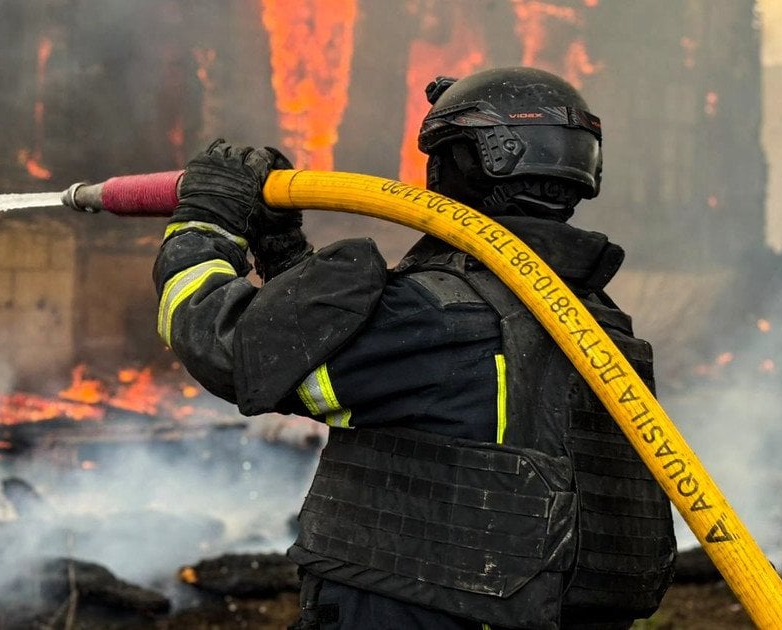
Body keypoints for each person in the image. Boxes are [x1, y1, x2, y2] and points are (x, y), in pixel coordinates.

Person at [153, 67, 676, 629]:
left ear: (463, 160)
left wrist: (205, 225)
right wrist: (282, 250)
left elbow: (231, 349)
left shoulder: (436, 314)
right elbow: (404, 384)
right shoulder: (595, 322)